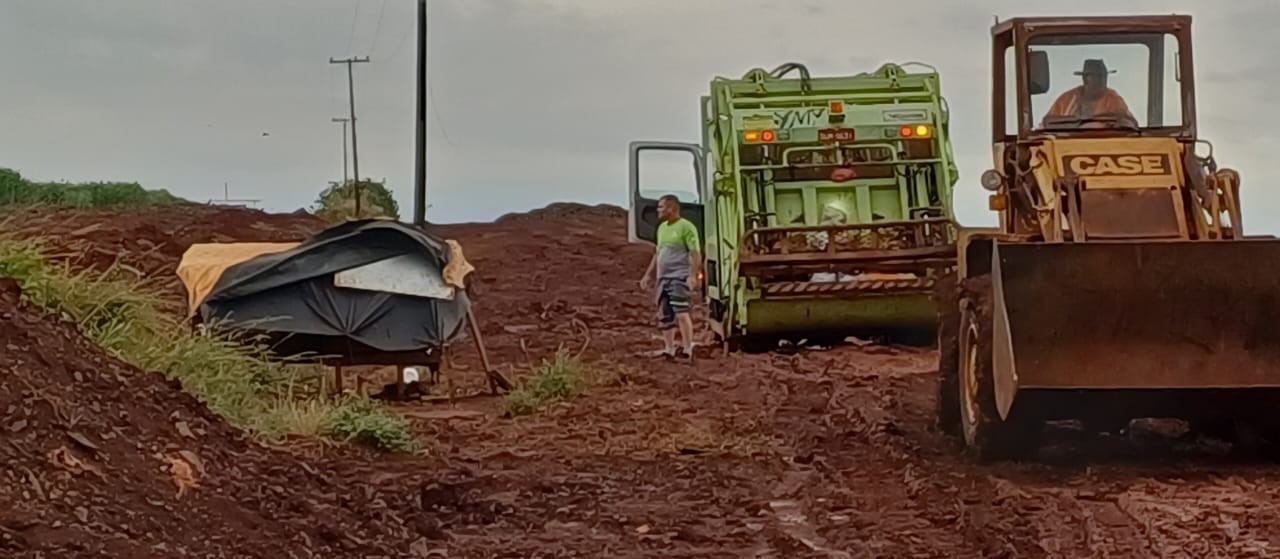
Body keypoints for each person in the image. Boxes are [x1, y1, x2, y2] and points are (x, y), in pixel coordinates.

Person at [639, 195, 702, 361]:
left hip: (678, 277)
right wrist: (648, 274)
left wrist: (692, 275)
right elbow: (658, 253)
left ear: (671, 208)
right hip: (663, 278)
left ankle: (688, 348)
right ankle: (669, 348)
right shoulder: (661, 228)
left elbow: (694, 253)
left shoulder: (686, 227)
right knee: (665, 314)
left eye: (661, 207)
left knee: (681, 312)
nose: (658, 210)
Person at [1043, 59, 1137, 127]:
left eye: (1104, 76)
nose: (1103, 81)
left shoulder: (1113, 99)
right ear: (1085, 79)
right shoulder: (1066, 99)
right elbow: (1047, 122)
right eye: (1098, 77)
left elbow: (1127, 123)